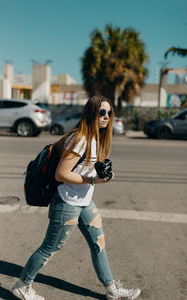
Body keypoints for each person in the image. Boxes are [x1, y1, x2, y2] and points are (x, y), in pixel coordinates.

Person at [11, 96, 141, 300]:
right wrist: (93, 181)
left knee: (99, 244)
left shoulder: (95, 138)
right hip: (67, 201)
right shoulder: (80, 139)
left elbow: (86, 169)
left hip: (84, 201)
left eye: (109, 113)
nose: (106, 117)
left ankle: (111, 289)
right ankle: (22, 285)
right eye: (101, 112)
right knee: (50, 247)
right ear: (91, 113)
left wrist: (104, 175)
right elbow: (61, 174)